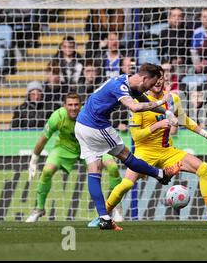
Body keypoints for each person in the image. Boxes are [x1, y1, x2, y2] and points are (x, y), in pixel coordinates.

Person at [96, 76, 207, 227]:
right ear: (147, 82)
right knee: (126, 184)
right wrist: (158, 125)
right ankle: (102, 216)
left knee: (203, 168)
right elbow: (136, 135)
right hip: (145, 153)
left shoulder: (173, 99)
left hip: (167, 151)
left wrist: (206, 135)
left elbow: (184, 119)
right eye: (154, 79)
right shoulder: (138, 102)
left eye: (161, 78)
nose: (157, 81)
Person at [75, 63, 181, 230]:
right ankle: (160, 174)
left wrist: (166, 111)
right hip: (96, 126)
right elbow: (135, 107)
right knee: (127, 156)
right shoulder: (120, 86)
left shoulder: (132, 84)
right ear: (145, 78)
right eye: (152, 84)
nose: (152, 87)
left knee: (94, 169)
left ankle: (104, 218)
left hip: (81, 125)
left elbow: (143, 100)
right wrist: (162, 100)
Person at [25, 93, 124, 223]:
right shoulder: (57, 116)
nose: (73, 108)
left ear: (81, 105)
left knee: (112, 166)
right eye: (70, 105)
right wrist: (34, 160)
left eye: (76, 104)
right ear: (64, 106)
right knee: (47, 171)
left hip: (90, 146)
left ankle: (116, 207)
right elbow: (43, 139)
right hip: (65, 148)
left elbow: (104, 131)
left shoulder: (89, 113)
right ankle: (39, 209)